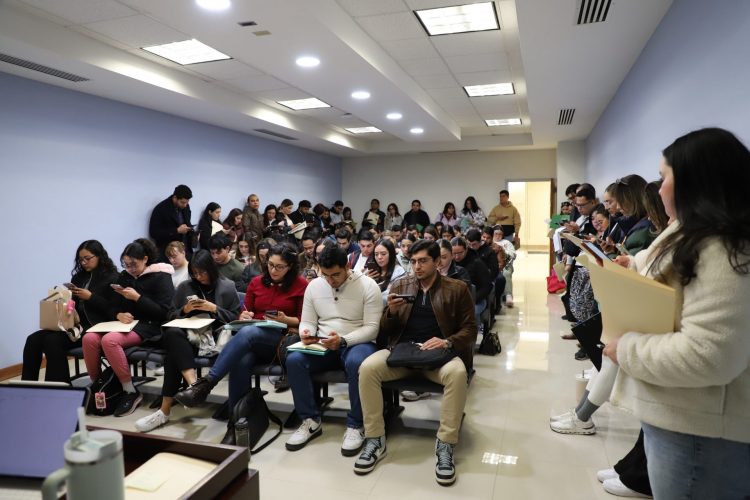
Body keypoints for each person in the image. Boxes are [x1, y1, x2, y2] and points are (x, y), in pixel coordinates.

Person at [601, 128, 750, 499]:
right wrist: (634, 266)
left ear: (693, 182)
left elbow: (710, 354)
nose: (659, 188)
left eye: (664, 177)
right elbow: (668, 269)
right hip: (680, 417)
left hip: (700, 434)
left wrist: (626, 349)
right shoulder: (690, 230)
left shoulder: (724, 248)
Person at [355, 240, 476, 485]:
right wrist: (390, 312)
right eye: (413, 261)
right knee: (367, 368)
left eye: (423, 261)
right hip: (403, 354)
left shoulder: (457, 288)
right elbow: (386, 329)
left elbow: (470, 329)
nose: (417, 267)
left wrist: (447, 342)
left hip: (438, 357)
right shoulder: (401, 284)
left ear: (437, 261)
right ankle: (375, 438)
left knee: (457, 374)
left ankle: (445, 444)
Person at [173, 244, 307, 442]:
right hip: (253, 339)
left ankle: (206, 384)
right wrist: (244, 316)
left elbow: (306, 322)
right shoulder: (257, 282)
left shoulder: (301, 285)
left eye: (280, 267)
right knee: (240, 360)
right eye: (270, 264)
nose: (273, 270)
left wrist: (285, 319)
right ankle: (235, 425)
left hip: (282, 341)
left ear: (291, 266)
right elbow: (245, 312)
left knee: (249, 332)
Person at [284, 245, 381, 456]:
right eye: (325, 275)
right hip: (324, 342)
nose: (330, 281)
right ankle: (310, 420)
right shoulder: (314, 286)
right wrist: (306, 332)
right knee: (294, 359)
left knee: (357, 363)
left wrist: (344, 340)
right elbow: (307, 321)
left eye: (335, 275)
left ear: (347, 266)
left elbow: (372, 328)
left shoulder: (368, 285)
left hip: (358, 341)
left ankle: (356, 424)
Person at [134, 250, 241, 433]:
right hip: (189, 336)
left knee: (172, 356)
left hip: (215, 338)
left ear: (211, 269)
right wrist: (184, 310)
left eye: (202, 272)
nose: (198, 277)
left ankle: (165, 411)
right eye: (195, 273)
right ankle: (194, 387)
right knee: (173, 333)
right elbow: (170, 315)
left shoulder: (227, 286)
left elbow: (235, 318)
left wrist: (214, 309)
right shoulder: (186, 286)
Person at [83, 238, 174, 416]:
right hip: (126, 324)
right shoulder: (124, 277)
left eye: (134, 265)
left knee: (109, 340)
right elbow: (112, 306)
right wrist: (118, 314)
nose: (130, 269)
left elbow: (165, 312)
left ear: (145, 259)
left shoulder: (161, 276)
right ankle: (98, 385)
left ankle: (130, 390)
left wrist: (138, 298)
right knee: (89, 338)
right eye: (126, 265)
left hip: (150, 326)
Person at [23, 240, 118, 384]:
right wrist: (63, 300)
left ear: (99, 256)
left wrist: (91, 297)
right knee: (33, 339)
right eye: (81, 259)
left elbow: (114, 310)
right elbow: (73, 305)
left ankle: (58, 388)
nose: (84, 263)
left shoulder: (112, 277)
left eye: (87, 258)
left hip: (96, 327)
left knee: (52, 340)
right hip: (75, 325)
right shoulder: (79, 277)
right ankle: (26, 387)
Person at [451, 237, 490, 327]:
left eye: (460, 253)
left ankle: (475, 332)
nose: (457, 257)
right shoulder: (448, 263)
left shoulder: (477, 263)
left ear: (466, 250)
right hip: (453, 302)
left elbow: (487, 286)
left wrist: (473, 299)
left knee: (470, 313)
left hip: (476, 300)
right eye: (454, 253)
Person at [149, 184, 193, 261]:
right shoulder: (161, 209)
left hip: (185, 251)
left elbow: (187, 223)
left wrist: (193, 233)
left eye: (187, 202)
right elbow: (154, 233)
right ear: (175, 198)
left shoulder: (185, 207)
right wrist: (176, 231)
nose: (185, 205)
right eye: (183, 202)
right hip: (168, 254)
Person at [370, 238, 406, 304]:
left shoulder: (399, 273)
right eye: (376, 254)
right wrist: (367, 281)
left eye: (383, 254)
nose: (379, 257)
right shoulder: (371, 272)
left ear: (391, 254)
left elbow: (388, 299)